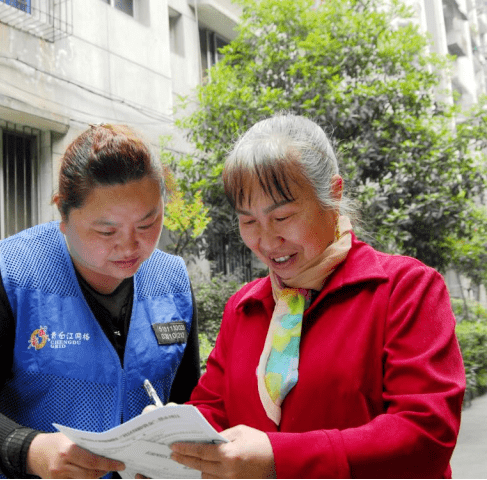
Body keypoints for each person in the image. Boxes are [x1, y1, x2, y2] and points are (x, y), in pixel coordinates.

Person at [168, 114, 465, 478]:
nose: (265, 241)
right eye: (248, 221)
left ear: (334, 196)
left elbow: (425, 436)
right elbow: (213, 408)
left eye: (283, 217)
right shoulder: (244, 307)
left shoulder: (405, 289)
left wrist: (280, 457)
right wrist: (171, 431)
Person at [0, 123, 200, 479]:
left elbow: (190, 400)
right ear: (63, 214)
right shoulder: (9, 273)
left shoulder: (172, 281)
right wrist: (29, 449)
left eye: (148, 222)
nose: (129, 246)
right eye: (107, 231)